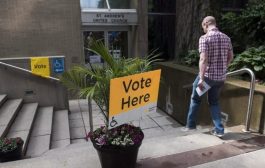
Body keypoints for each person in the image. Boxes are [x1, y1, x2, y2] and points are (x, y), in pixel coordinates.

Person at [183, 16, 234, 138]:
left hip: (207, 78)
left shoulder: (204, 38)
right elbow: (231, 56)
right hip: (220, 79)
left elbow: (203, 59)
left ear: (206, 24)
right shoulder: (226, 38)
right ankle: (219, 130)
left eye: (203, 27)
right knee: (214, 102)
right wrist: (223, 68)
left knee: (195, 99)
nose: (203, 30)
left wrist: (201, 78)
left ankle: (190, 126)